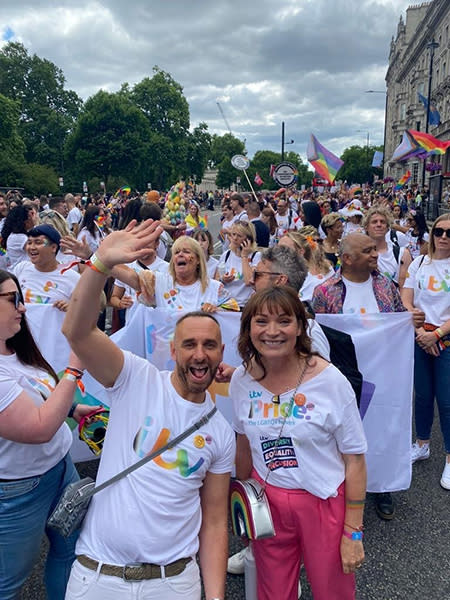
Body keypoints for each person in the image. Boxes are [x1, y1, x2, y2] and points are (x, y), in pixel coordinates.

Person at [61, 219, 235, 600]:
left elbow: (217, 522)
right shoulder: (135, 379)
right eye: (189, 344)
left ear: (222, 353)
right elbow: (77, 331)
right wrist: (100, 264)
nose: (200, 354)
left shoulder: (221, 433)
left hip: (173, 582)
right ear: (172, 350)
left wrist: (217, 595)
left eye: (210, 345)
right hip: (97, 576)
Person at [230, 286, 367, 600]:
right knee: (273, 593)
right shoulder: (241, 379)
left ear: (300, 327)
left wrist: (353, 531)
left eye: (284, 321)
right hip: (269, 500)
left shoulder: (331, 381)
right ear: (248, 328)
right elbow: (243, 444)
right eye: (261, 321)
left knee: (332, 592)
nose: (272, 331)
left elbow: (355, 460)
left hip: (323, 501)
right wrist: (244, 505)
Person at [0, 269, 95, 600]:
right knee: (7, 581)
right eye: (13, 299)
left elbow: (34, 396)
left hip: (60, 469)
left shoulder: (14, 348)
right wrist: (73, 369)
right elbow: (39, 428)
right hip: (17, 489)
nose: (22, 307)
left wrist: (69, 410)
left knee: (70, 551)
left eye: (21, 298)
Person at [312, 233, 408, 520]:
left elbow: (399, 320)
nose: (374, 254)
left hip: (383, 371)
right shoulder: (325, 292)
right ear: (348, 258)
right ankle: (343, 488)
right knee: (342, 431)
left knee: (382, 426)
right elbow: (317, 335)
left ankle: (382, 486)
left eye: (373, 249)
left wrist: (409, 320)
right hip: (343, 375)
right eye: (367, 251)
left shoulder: (386, 286)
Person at [401, 214, 450, 488]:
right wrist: (421, 334)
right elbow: (406, 299)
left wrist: (436, 335)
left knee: (446, 401)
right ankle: (422, 444)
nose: (443, 237)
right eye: (439, 231)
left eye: (449, 233)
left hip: (445, 340)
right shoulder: (419, 262)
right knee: (422, 395)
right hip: (420, 339)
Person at [13, 224, 80, 310]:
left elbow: (95, 305)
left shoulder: (72, 277)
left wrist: (73, 307)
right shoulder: (21, 269)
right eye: (29, 243)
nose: (32, 247)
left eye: (38, 242)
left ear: (53, 247)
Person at [279, 231, 334, 302]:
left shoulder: (325, 269)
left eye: (284, 249)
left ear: (300, 252)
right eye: (277, 248)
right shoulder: (275, 273)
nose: (278, 252)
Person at [363, 206, 412, 288]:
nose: (379, 225)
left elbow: (404, 288)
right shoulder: (359, 254)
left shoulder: (402, 254)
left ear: (387, 227)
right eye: (374, 222)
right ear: (366, 227)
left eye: (382, 222)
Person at [216, 222, 260, 309]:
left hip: (245, 305)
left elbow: (249, 281)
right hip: (226, 304)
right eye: (233, 234)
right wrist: (222, 279)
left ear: (248, 239)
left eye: (239, 236)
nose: (235, 238)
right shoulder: (226, 255)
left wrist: (244, 256)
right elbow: (216, 280)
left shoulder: (256, 256)